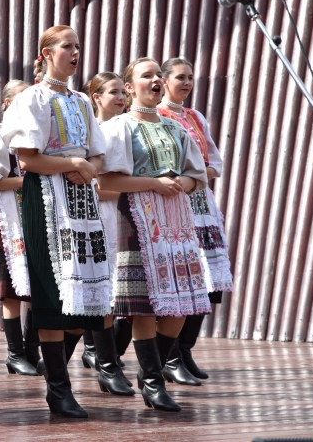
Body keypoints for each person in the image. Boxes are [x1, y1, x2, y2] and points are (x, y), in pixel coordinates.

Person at [1, 26, 114, 418]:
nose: (75, 51)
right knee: (52, 293)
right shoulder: (33, 98)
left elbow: (97, 154)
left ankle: (54, 373)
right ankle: (59, 390)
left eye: (78, 46)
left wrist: (86, 167)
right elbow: (28, 159)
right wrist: (74, 164)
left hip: (82, 199)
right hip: (46, 200)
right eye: (68, 46)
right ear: (46, 53)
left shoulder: (82, 100)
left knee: (82, 305)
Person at [99, 57, 211, 412]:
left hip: (177, 220)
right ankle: (151, 382)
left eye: (158, 75)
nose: (156, 80)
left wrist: (183, 182)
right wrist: (155, 184)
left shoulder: (176, 127)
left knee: (182, 304)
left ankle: (154, 371)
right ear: (130, 88)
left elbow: (199, 175)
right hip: (137, 216)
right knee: (145, 306)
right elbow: (107, 180)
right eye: (147, 76)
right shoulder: (119, 127)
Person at [158, 57, 233, 384]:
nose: (186, 83)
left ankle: (185, 349)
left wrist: (200, 175)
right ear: (163, 79)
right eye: (180, 77)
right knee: (184, 275)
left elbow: (214, 162)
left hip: (202, 202)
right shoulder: (156, 115)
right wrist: (196, 175)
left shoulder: (195, 117)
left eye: (190, 77)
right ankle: (169, 355)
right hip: (175, 201)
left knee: (207, 280)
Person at [69, 72, 136, 397]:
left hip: (115, 215)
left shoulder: (120, 127)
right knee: (95, 291)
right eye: (113, 92)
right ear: (95, 97)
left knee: (110, 294)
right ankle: (98, 361)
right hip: (94, 215)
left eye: (124, 92)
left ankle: (104, 359)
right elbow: (106, 184)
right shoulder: (97, 130)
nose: (121, 98)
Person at [0, 80, 41, 377]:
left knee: (41, 285)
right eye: (20, 98)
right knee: (11, 288)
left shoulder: (39, 134)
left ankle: (31, 351)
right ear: (5, 103)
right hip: (9, 215)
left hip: (39, 216)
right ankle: (14, 353)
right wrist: (29, 182)